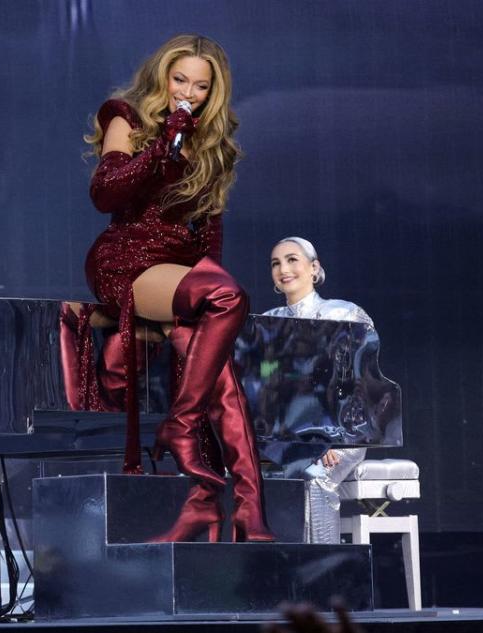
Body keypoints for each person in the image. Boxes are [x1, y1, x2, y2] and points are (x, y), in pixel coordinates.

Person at [83, 34, 274, 542]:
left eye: (201, 86)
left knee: (221, 378)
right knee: (228, 296)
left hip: (184, 276)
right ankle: (181, 426)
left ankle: (227, 508)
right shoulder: (127, 118)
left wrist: (209, 311)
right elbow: (106, 194)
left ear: (215, 93)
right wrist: (165, 141)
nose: (188, 92)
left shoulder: (214, 147)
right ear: (163, 77)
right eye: (180, 79)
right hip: (128, 263)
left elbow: (209, 240)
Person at [263, 236, 374, 544]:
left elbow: (361, 384)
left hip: (343, 430)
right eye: (276, 263)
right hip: (289, 433)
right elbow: (267, 386)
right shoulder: (269, 322)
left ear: (314, 269)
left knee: (315, 477)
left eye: (292, 259)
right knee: (261, 478)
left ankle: (323, 577)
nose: (283, 268)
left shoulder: (344, 314)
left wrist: (334, 438)